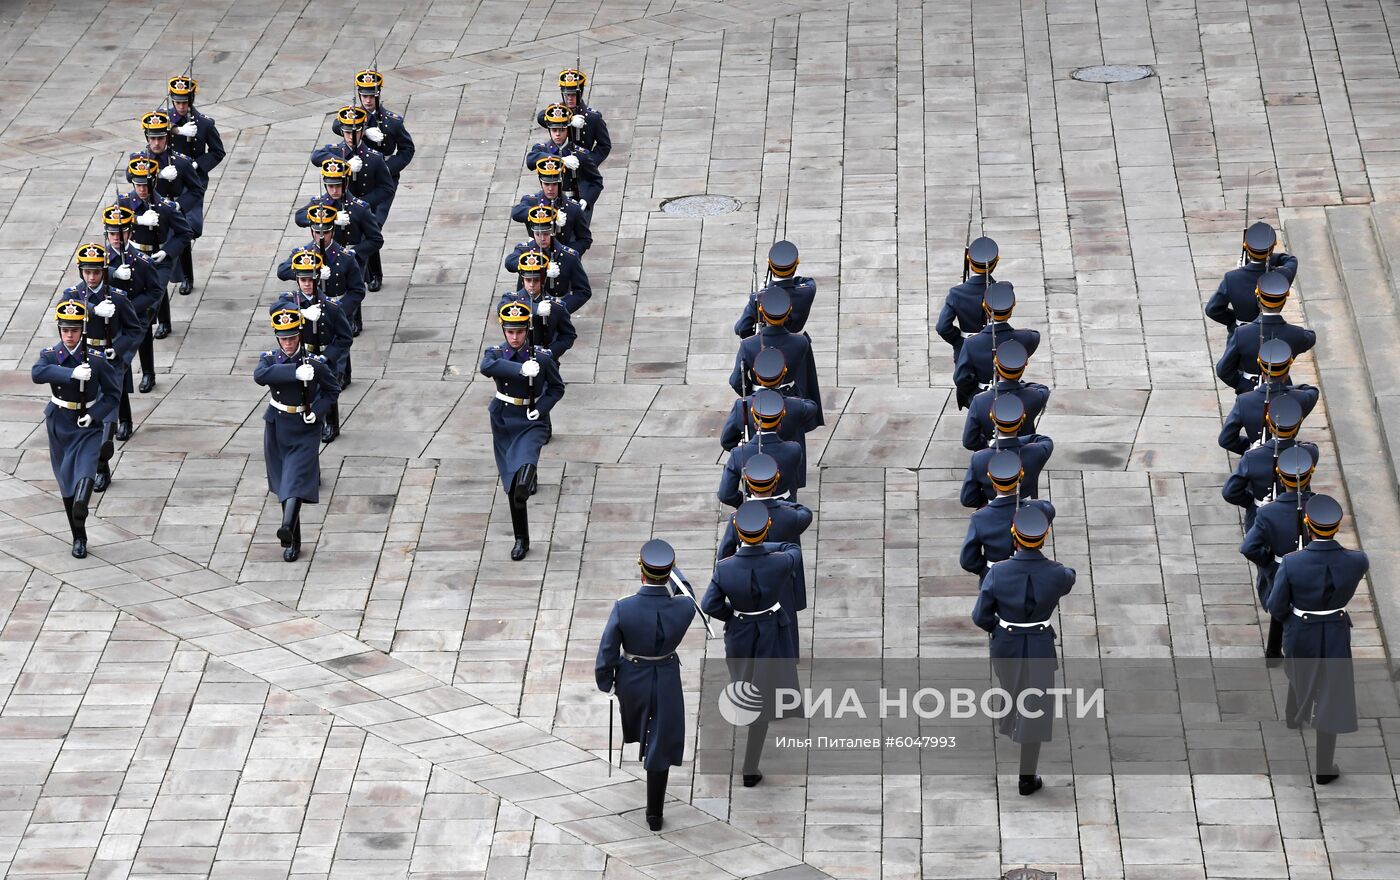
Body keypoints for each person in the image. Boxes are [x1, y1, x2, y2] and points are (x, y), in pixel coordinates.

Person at [970, 507, 1075, 795]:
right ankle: (1026, 777)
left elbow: (980, 616)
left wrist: (999, 627)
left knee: (1013, 691)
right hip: (1040, 645)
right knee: (1035, 709)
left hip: (1006, 642)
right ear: (1044, 538)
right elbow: (1068, 577)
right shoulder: (1059, 574)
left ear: (1014, 537)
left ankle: (1012, 722)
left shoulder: (998, 573)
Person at [1264, 495, 1367, 786]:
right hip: (1335, 630)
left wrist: (1291, 620)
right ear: (1337, 527)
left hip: (1301, 630)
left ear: (1308, 524)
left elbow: (1276, 605)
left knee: (1300, 672)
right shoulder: (1358, 560)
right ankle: (1324, 767)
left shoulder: (1294, 563)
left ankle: (1293, 716)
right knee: (1331, 695)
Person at [595, 539, 695, 831]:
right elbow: (687, 592)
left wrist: (607, 683)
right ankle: (654, 812)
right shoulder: (684, 608)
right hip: (665, 676)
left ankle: (654, 807)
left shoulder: (623, 608)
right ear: (669, 573)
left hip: (632, 677)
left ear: (641, 571)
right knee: (661, 738)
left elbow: (607, 651)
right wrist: (675, 571)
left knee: (646, 731)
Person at [701, 501, 802, 787]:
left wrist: (731, 616)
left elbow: (710, 604)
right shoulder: (780, 561)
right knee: (764, 694)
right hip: (771, 629)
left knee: (743, 683)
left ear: (736, 530)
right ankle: (749, 766)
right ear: (767, 528)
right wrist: (763, 548)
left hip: (740, 631)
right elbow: (792, 549)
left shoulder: (724, 568)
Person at [32, 299, 121, 558]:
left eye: (73, 330)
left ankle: (83, 502)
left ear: (82, 329)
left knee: (85, 471)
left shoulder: (95, 358)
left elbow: (112, 396)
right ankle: (78, 536)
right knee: (66, 484)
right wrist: (69, 374)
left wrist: (94, 415)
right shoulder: (51, 355)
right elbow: (37, 373)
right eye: (64, 330)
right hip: (60, 423)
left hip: (87, 425)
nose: (69, 335)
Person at [254, 305, 341, 562]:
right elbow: (260, 376)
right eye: (283, 338)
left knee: (295, 480)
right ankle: (293, 539)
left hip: (304, 427)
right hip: (277, 425)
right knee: (283, 481)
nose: (288, 343)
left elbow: (331, 390)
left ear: (299, 336)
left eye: (292, 337)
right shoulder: (270, 359)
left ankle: (286, 527)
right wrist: (293, 372)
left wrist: (318, 410)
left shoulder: (313, 362)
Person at [480, 300, 565, 560]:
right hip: (504, 420)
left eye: (518, 331)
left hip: (530, 420)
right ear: (504, 330)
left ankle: (528, 479)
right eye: (509, 331)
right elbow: (486, 367)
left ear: (526, 330)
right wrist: (519, 369)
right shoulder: (496, 354)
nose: (514, 337)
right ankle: (521, 539)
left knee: (524, 472)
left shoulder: (541, 356)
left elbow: (556, 388)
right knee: (512, 485)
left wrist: (541, 408)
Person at [332, 70, 414, 290]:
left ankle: (372, 273)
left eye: (371, 96)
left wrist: (385, 168)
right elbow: (335, 125)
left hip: (382, 183)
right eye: (364, 96)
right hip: (355, 180)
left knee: (373, 224)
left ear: (379, 94)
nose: (367, 100)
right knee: (359, 224)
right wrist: (365, 130)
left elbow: (407, 149)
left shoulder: (392, 122)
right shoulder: (355, 116)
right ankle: (370, 272)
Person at [67, 243, 142, 485]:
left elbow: (134, 329)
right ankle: (100, 467)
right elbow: (67, 312)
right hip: (86, 360)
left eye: (96, 272)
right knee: (90, 413)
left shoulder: (117, 298)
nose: (91, 277)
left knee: (107, 414)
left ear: (104, 272)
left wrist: (117, 349)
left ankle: (101, 467)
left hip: (109, 361)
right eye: (87, 272)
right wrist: (93, 310)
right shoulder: (73, 296)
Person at [1240, 446, 1317, 662]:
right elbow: (1313, 450)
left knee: (1280, 604)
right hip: (1311, 564)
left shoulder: (1268, 512)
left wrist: (1268, 561)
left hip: (1280, 566)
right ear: (1310, 474)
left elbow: (1248, 547)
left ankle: (1274, 651)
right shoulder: (1318, 507)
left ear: (1281, 480)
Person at [119, 156, 192, 339]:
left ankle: (159, 323)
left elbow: (185, 232)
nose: (142, 190)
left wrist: (167, 251)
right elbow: (112, 223)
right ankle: (161, 322)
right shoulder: (126, 203)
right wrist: (136, 219)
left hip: (158, 256)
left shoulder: (165, 207)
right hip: (136, 254)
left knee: (157, 290)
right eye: (138, 185)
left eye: (146, 185)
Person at [133, 110, 205, 295]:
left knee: (182, 241)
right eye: (152, 138)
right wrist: (158, 174)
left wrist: (179, 205)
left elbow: (196, 190)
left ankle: (187, 277)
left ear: (167, 138)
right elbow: (129, 175)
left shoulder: (180, 163)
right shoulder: (139, 160)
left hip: (172, 208)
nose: (156, 143)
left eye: (161, 138)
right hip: (149, 209)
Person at [728, 286, 823, 425]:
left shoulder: (748, 345)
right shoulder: (801, 342)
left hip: (758, 400)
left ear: (761, 311)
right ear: (789, 311)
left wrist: (753, 390)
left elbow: (736, 381)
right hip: (790, 396)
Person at [1221, 394, 1317, 530]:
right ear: (1298, 424)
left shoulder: (1251, 457)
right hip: (1298, 518)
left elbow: (1230, 492)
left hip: (1260, 512)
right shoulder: (1311, 453)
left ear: (1269, 424)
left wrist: (1251, 502)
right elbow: (1311, 393)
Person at [275, 282, 352, 443]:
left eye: (310, 280)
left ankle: (332, 424)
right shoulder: (291, 300)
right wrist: (301, 312)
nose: (307, 284)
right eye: (303, 280)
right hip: (303, 353)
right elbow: (275, 308)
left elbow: (345, 337)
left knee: (328, 388)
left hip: (325, 355)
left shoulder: (331, 306)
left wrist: (327, 356)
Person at [960, 450, 1056, 581]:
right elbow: (1048, 508)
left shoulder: (979, 518)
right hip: (1032, 576)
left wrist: (986, 570)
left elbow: (967, 561)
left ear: (993, 483)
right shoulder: (1040, 509)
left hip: (994, 577)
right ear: (1020, 477)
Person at [1215, 271, 1316, 394]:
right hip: (1282, 392)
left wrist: (1242, 384)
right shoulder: (1296, 334)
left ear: (1258, 299)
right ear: (1284, 301)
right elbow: (1311, 337)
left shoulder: (1241, 333)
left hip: (1248, 391)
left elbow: (1223, 370)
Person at [1218, 340, 1318, 455]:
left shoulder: (1244, 401)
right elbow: (1312, 391)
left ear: (1261, 367)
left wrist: (1251, 447)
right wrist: (1287, 388)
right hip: (1290, 457)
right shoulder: (1302, 398)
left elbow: (1225, 440)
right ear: (1287, 370)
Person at [102, 204, 162, 394]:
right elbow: (89, 278)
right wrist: (113, 273)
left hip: (137, 314)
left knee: (129, 352)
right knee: (117, 363)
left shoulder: (142, 261)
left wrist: (130, 308)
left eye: (121, 233)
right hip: (110, 316)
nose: (117, 238)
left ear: (129, 233)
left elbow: (155, 291)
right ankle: (124, 416)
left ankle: (148, 373)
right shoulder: (101, 259)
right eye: (112, 234)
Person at [953, 282, 1039, 409]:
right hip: (1016, 397)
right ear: (1012, 308)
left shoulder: (971, 344)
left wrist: (975, 391)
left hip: (982, 396)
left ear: (985, 307)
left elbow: (960, 378)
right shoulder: (1029, 338)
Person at [1205, 221, 1298, 336]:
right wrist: (1267, 257)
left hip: (1240, 334)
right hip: (1273, 334)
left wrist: (1235, 320)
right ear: (1272, 248)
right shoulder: (1282, 276)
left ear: (1246, 247)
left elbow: (1212, 310)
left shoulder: (1231, 278)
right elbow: (1291, 260)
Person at [295, 158, 383, 279]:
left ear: (346, 183)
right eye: (330, 186)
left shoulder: (360, 208)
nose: (334, 190)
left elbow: (376, 239)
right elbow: (299, 217)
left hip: (352, 260)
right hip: (325, 257)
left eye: (338, 185)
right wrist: (331, 218)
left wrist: (354, 252)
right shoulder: (318, 204)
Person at [960, 395, 1054, 508]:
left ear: (993, 420)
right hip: (1028, 512)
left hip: (993, 509)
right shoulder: (1037, 452)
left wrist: (994, 443)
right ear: (1021, 422)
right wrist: (1013, 442)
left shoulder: (979, 459)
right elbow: (1043, 439)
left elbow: (967, 499)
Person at [717, 390, 806, 508]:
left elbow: (726, 495)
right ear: (779, 424)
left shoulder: (738, 454)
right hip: (786, 506)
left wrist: (747, 501)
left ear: (755, 424)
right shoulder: (794, 449)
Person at [716, 453, 813, 560]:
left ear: (749, 486)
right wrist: (777, 503)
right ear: (775, 485)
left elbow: (724, 557)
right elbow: (806, 512)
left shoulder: (736, 518)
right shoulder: (790, 515)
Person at [276, 222, 366, 335]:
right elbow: (282, 271)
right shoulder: (303, 255)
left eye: (326, 232)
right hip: (311, 309)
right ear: (312, 232)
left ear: (333, 232)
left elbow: (357, 290)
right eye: (318, 232)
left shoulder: (346, 257)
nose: (321, 236)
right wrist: (308, 274)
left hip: (337, 308)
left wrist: (339, 311)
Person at [961, 339, 1050, 451]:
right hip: (1025, 451)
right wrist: (1019, 385)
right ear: (1023, 367)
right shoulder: (1037, 396)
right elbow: (1042, 388)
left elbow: (969, 441)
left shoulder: (979, 401)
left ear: (996, 365)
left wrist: (989, 445)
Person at [503, 206, 591, 314]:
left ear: (553, 231)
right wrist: (542, 269)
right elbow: (509, 262)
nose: (542, 238)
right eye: (538, 234)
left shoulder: (569, 256)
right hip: (528, 307)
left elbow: (583, 291)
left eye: (546, 234)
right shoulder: (525, 250)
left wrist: (561, 310)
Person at [525, 103, 603, 216]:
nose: (557, 134)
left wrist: (586, 199)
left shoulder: (580, 154)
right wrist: (561, 160)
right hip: (549, 203)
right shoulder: (542, 149)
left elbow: (596, 181)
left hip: (574, 201)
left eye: (561, 130)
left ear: (567, 130)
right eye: (554, 130)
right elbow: (530, 161)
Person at [498, 251, 576, 361]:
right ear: (522, 279)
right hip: (516, 356)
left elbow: (568, 335)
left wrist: (550, 352)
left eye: (536, 280)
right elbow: (502, 308)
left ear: (543, 279)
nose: (531, 285)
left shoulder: (556, 306)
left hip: (546, 360)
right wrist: (535, 309)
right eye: (528, 280)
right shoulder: (511, 298)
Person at [511, 157, 592, 254]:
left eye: (554, 184)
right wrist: (550, 215)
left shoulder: (573, 208)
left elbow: (585, 239)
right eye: (546, 184)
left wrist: (568, 255)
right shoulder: (531, 201)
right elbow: (516, 213)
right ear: (541, 183)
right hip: (537, 254)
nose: (550, 189)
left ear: (561, 183)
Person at [734, 242, 816, 338]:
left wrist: (766, 290)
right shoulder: (808, 290)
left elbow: (741, 328)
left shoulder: (758, 298)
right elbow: (804, 280)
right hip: (797, 344)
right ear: (796, 264)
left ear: (770, 264)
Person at [937, 236, 998, 357]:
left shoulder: (956, 293)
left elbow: (942, 327)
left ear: (969, 262)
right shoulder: (1002, 291)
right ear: (996, 261)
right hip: (994, 346)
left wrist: (959, 340)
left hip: (966, 347)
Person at [167, 74, 226, 181]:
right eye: (178, 102)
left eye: (185, 102)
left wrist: (197, 164)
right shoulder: (164, 119)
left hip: (194, 178)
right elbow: (153, 128)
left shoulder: (204, 123)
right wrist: (178, 130)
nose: (181, 106)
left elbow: (218, 152)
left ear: (192, 99)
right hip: (170, 177)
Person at [545, 68, 611, 163]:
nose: (570, 98)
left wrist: (589, 161)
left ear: (581, 93)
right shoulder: (556, 112)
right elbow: (541, 117)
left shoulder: (593, 118)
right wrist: (569, 119)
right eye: (567, 95)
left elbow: (604, 145)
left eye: (573, 95)